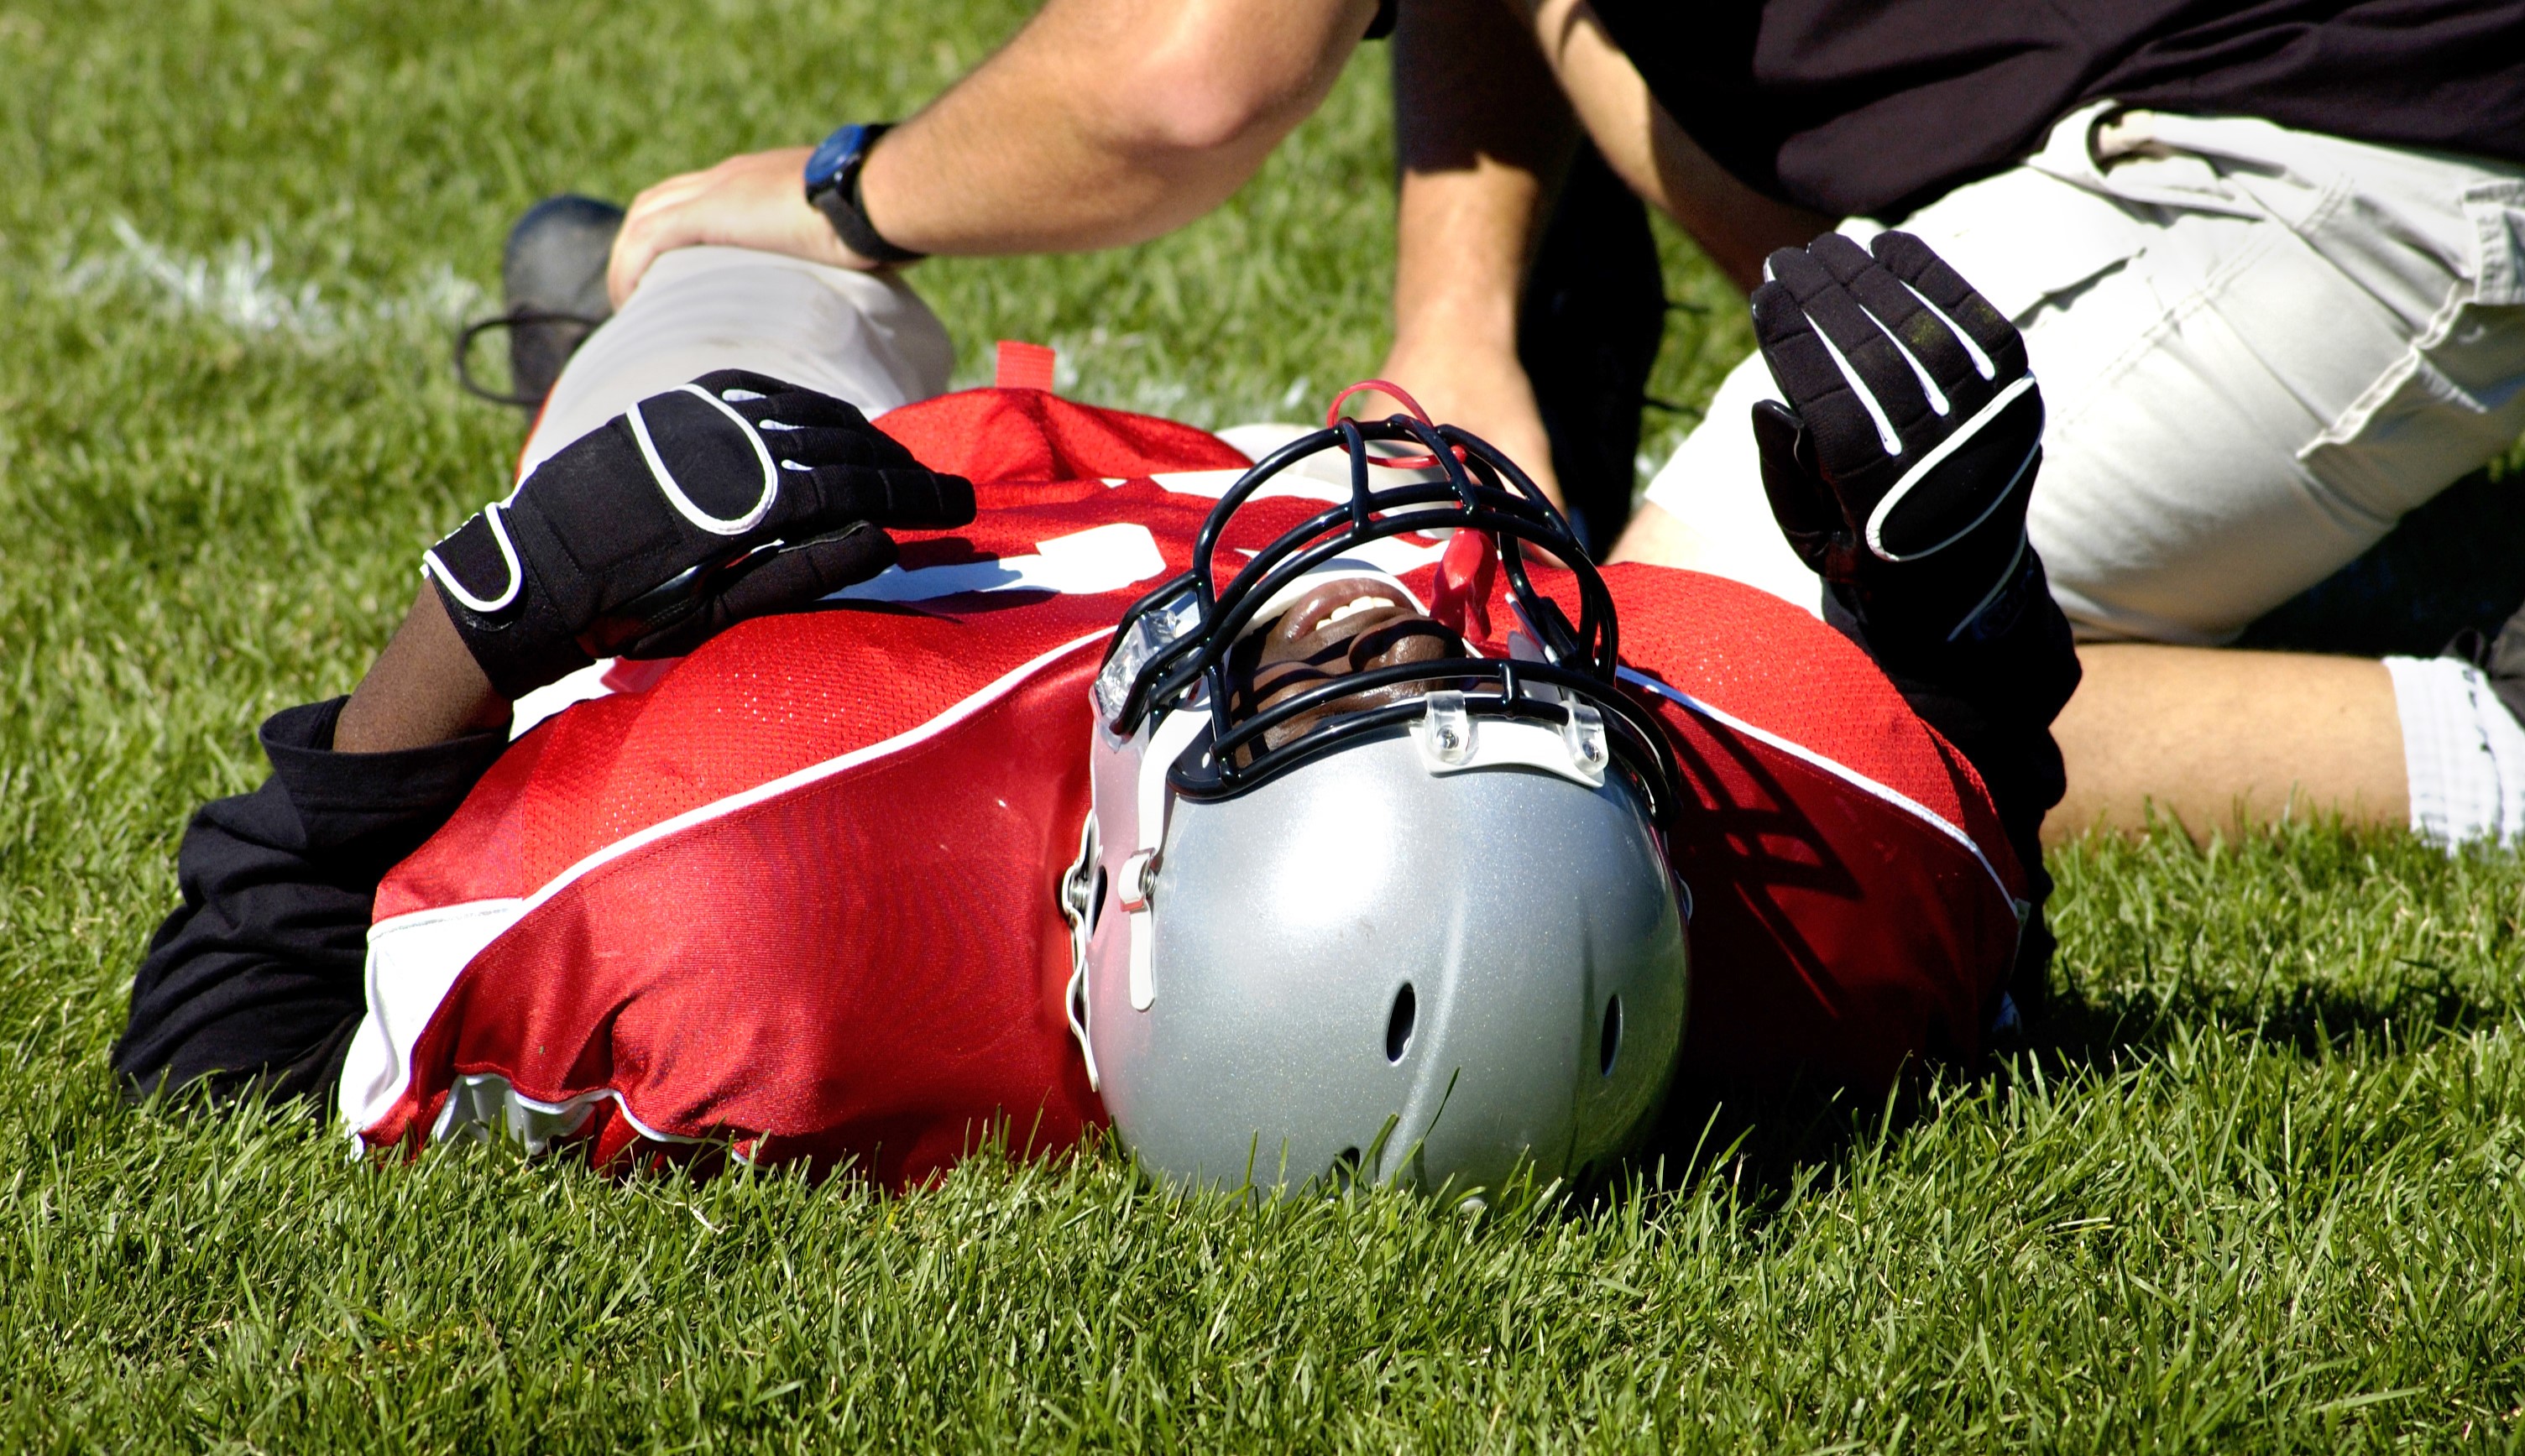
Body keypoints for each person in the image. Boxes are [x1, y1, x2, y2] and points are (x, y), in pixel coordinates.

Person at [114, 228, 2077, 1189]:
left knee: (753, 299)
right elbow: (1962, 878)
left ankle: (644, 276)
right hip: (1251, 481)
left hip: (872, 529)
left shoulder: (743, 893)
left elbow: (221, 1055)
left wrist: (504, 594)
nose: (1410, 619)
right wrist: (1962, 591)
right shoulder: (1691, 885)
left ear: (1127, 902)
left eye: (1326, 684)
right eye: (1470, 677)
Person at [567, 0, 2525, 849]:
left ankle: (2485, 735)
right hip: (2215, 116)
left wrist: (833, 188)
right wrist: (1455, 318)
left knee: (1696, 693)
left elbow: (1174, 86)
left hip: (2323, 152)